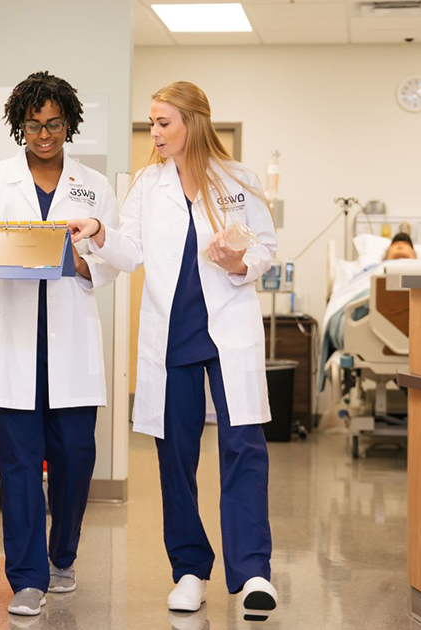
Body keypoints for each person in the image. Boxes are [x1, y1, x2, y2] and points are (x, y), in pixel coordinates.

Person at [66, 81, 280, 622]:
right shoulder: (147, 184)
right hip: (174, 336)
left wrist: (239, 262)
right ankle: (189, 570)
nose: (155, 132)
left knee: (244, 448)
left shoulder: (238, 179)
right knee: (174, 458)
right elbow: (130, 250)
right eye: (153, 123)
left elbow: (266, 249)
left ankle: (253, 572)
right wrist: (96, 231)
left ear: (192, 121)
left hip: (228, 331)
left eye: (164, 122)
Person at [0, 71, 119, 617]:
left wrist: (82, 258)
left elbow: (111, 259)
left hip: (69, 343)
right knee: (20, 466)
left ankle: (62, 556)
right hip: (15, 342)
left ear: (68, 123)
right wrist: (23, 252)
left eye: (53, 124)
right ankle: (26, 577)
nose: (44, 135)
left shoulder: (94, 185)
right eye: (33, 125)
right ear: (19, 125)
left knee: (75, 459)